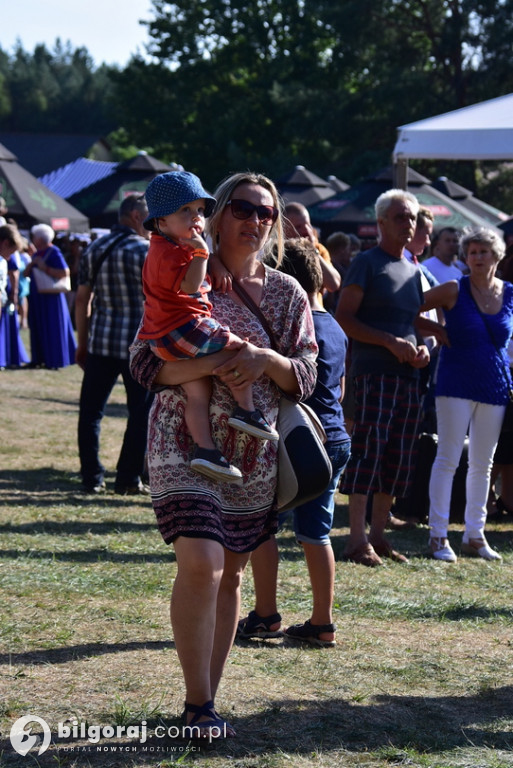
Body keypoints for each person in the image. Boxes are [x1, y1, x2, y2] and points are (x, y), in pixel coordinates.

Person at [129, 172, 318, 738]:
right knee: (202, 563)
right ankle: (196, 700)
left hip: (254, 454)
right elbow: (145, 365)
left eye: (265, 212)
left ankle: (204, 703)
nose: (254, 220)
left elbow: (307, 377)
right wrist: (210, 366)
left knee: (230, 574)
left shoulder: (288, 293)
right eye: (241, 208)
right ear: (214, 214)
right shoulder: (183, 274)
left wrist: (263, 359)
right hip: (181, 444)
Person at [237, 237, 351, 647]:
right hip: (335, 437)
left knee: (264, 527)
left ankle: (266, 614)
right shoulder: (336, 326)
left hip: (297, 439)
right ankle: (323, 621)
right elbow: (338, 388)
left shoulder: (294, 325)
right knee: (317, 533)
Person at [138, 171, 278, 484]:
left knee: (197, 394)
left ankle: (205, 450)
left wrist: (205, 256)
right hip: (182, 330)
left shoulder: (172, 248)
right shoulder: (170, 253)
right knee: (240, 350)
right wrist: (203, 254)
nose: (196, 218)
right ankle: (246, 410)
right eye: (185, 211)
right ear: (160, 222)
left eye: (200, 210)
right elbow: (189, 287)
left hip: (169, 337)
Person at [336, 189, 430, 566]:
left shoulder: (414, 269)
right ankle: (354, 540)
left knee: (398, 454)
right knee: (368, 453)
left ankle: (378, 535)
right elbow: (345, 318)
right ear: (380, 223)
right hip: (373, 373)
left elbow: (410, 323)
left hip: (408, 375)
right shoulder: (366, 263)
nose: (408, 223)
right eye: (400, 217)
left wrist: (422, 347)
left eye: (412, 217)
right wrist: (390, 342)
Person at [422, 227, 512, 562]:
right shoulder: (452, 288)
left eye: (483, 252)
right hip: (455, 382)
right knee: (447, 458)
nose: (476, 257)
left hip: (495, 385)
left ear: (496, 256)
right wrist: (434, 329)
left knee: (483, 463)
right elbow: (410, 310)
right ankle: (438, 536)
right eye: (471, 252)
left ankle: (475, 535)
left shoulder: (510, 293)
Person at [75, 194, 153, 495]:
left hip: (101, 344)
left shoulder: (94, 247)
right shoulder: (145, 251)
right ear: (135, 216)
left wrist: (82, 342)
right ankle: (128, 478)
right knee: (140, 413)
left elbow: (83, 299)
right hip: (137, 347)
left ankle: (91, 477)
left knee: (91, 412)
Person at [24, 224, 76, 369]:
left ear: (40, 238)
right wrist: (31, 264)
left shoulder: (54, 251)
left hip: (51, 298)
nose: (33, 239)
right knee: (37, 326)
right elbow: (25, 274)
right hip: (37, 297)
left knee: (52, 328)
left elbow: (64, 272)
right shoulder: (37, 253)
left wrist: (44, 267)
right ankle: (37, 359)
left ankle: (54, 361)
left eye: (34, 236)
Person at [283, 201, 341, 304]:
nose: (306, 231)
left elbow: (333, 284)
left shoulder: (318, 249)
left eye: (308, 225)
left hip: (313, 313)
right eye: (298, 227)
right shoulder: (277, 252)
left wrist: (312, 251)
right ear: (285, 231)